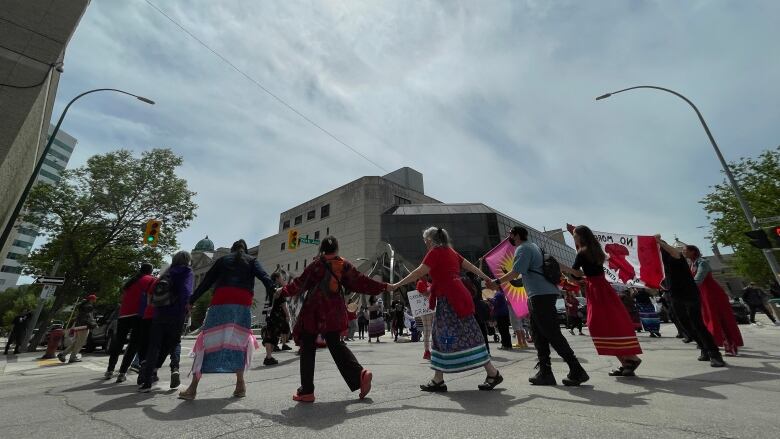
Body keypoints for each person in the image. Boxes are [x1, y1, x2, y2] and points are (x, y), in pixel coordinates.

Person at [278, 236, 391, 402]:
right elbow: (361, 282)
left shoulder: (316, 265)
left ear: (322, 249)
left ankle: (307, 391)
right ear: (336, 249)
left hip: (314, 311)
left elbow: (299, 284)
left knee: (308, 346)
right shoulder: (343, 265)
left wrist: (282, 291)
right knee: (335, 343)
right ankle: (360, 374)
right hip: (334, 311)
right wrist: (384, 286)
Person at [390, 227, 503, 392]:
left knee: (440, 335)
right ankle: (485, 373)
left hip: (448, 300)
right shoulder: (450, 251)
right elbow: (470, 266)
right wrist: (487, 278)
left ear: (429, 240)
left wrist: (396, 285)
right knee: (468, 332)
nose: (425, 245)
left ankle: (442, 379)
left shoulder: (435, 252)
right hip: (459, 297)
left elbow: (419, 272)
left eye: (425, 242)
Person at [179, 239, 275, 400]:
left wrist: (191, 300)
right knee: (240, 341)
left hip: (221, 301)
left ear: (232, 250)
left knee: (207, 341)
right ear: (244, 250)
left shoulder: (222, 260)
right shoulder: (252, 260)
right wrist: (273, 290)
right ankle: (240, 385)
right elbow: (265, 277)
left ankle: (193, 388)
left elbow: (206, 282)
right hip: (243, 302)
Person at [496, 226, 589, 386]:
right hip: (542, 294)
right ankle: (545, 372)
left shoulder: (523, 249)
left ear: (517, 235)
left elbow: (515, 273)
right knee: (538, 335)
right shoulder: (535, 247)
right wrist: (573, 271)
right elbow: (554, 264)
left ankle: (576, 369)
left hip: (540, 296)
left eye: (510, 234)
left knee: (552, 333)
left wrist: (495, 282)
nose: (509, 237)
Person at [559, 225, 642, 378]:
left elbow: (576, 272)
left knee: (599, 324)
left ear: (580, 237)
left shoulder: (583, 252)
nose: (575, 238)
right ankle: (627, 362)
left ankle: (631, 359)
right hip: (602, 287)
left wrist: (562, 267)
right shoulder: (595, 250)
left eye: (575, 235)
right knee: (609, 322)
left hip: (596, 290)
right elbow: (586, 274)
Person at [656, 236, 724, 367]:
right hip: (675, 295)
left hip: (689, 294)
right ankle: (703, 348)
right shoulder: (662, 264)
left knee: (698, 324)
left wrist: (659, 242)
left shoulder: (676, 256)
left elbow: (675, 253)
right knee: (686, 325)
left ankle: (714, 354)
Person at [139, 251, 193, 392]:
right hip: (177, 314)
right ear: (188, 260)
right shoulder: (187, 272)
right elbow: (186, 292)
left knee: (154, 345)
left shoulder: (166, 273)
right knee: (175, 342)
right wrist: (186, 309)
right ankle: (174, 368)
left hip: (160, 313)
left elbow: (153, 295)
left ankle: (147, 382)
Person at [684, 245, 744, 356]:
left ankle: (731, 345)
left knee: (721, 319)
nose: (683, 252)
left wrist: (688, 289)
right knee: (708, 319)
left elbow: (699, 278)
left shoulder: (702, 262)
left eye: (685, 250)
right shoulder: (691, 264)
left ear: (693, 252)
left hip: (713, 294)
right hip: (702, 294)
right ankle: (713, 343)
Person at [103, 263, 156, 382]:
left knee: (118, 343)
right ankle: (122, 372)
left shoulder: (130, 281)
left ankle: (109, 370)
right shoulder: (150, 280)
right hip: (139, 315)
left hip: (123, 314)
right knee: (133, 345)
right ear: (151, 271)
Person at [58, 295, 98, 364]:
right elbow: (89, 318)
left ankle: (63, 354)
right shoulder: (89, 307)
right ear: (91, 299)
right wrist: (94, 324)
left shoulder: (83, 306)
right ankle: (72, 357)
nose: (95, 300)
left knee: (76, 342)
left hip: (78, 326)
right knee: (80, 343)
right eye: (95, 299)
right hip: (84, 327)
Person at [262, 272, 289, 366]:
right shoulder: (277, 289)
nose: (282, 279)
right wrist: (287, 315)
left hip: (269, 314)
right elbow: (282, 303)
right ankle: (268, 357)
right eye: (281, 277)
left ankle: (268, 357)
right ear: (277, 278)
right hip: (276, 315)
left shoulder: (269, 287)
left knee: (269, 335)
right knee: (272, 335)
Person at [416, 278, 435, 359]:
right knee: (427, 331)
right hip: (426, 311)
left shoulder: (427, 282)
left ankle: (432, 350)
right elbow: (425, 293)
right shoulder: (420, 282)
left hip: (431, 309)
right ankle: (427, 351)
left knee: (433, 330)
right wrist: (431, 288)